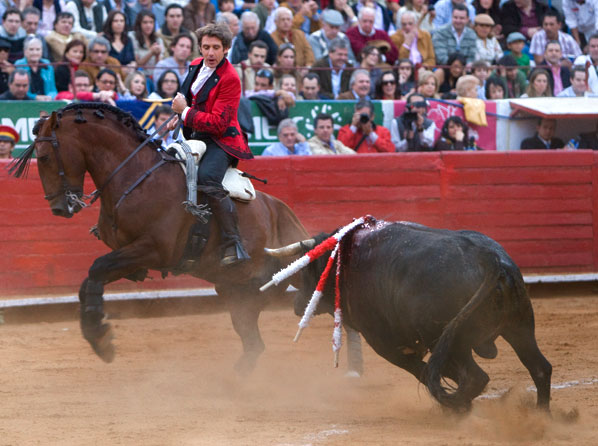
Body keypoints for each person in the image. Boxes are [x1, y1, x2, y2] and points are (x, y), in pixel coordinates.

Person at [168, 23, 253, 267]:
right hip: (194, 135)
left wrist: (184, 112)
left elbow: (218, 123)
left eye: (216, 47)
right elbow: (187, 99)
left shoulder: (231, 78)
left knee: (206, 179)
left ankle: (233, 242)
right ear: (200, 48)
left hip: (222, 141)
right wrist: (179, 114)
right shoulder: (195, 65)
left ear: (226, 48)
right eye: (206, 47)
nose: (210, 53)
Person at [15, 35, 57, 100]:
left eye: (38, 49)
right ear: (25, 51)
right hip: (26, 102)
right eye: (31, 49)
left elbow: (53, 90)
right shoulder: (19, 64)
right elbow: (18, 91)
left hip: (46, 101)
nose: (35, 53)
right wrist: (35, 97)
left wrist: (49, 97)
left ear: (42, 51)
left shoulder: (47, 64)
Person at [129, 10, 164, 80]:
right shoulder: (132, 37)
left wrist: (157, 55)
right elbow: (137, 63)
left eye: (151, 22)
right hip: (138, 76)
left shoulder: (158, 40)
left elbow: (159, 67)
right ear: (139, 24)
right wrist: (151, 53)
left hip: (154, 76)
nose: (148, 25)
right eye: (145, 22)